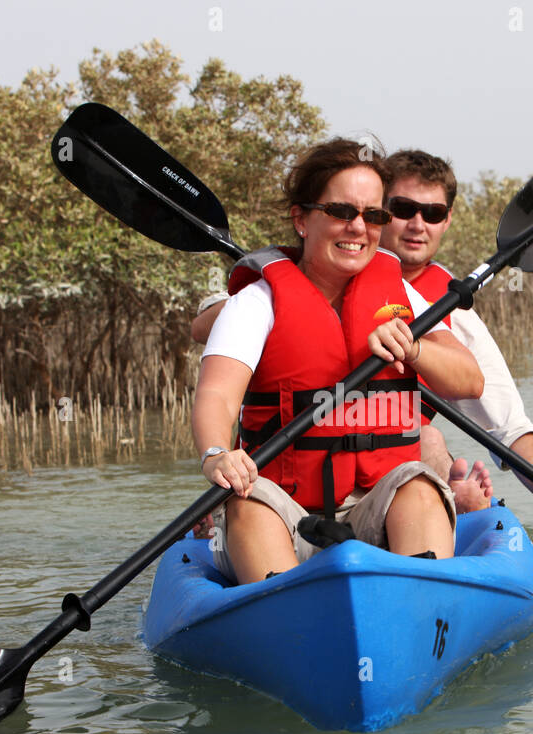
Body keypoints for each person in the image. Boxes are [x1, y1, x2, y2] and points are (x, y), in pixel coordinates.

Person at [195, 147, 533, 531]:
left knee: (427, 438)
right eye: (403, 209)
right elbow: (207, 336)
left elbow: (506, 422)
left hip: (390, 478)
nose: (416, 224)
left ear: (445, 221)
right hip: (284, 478)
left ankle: (453, 499)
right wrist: (278, 305)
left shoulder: (448, 309)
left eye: (431, 213)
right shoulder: (268, 292)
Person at [194, 139, 484, 585]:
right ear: (301, 219)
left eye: (373, 216)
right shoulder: (257, 302)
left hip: (378, 508)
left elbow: (470, 380)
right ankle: (285, 616)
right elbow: (217, 393)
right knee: (249, 504)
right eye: (341, 212)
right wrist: (216, 454)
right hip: (285, 510)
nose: (358, 228)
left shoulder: (400, 295)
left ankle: (421, 608)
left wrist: (415, 349)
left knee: (419, 485)